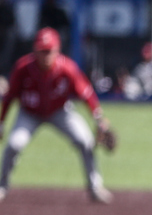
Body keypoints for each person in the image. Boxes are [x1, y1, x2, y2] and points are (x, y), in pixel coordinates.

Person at [0, 27, 114, 204]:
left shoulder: (67, 68)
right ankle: (2, 186)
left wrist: (99, 119)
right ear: (35, 50)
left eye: (49, 50)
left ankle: (95, 187)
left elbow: (87, 94)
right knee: (14, 144)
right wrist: (1, 122)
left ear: (57, 50)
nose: (45, 55)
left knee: (85, 141)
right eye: (42, 50)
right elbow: (9, 97)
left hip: (59, 111)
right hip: (29, 114)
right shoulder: (23, 67)